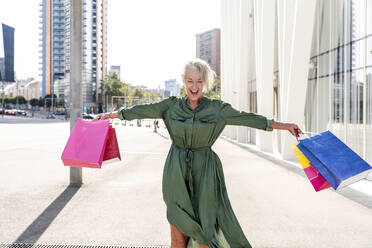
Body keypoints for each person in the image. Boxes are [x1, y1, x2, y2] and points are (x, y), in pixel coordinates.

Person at [94, 59, 302, 248]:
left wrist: (285, 126)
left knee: (205, 235)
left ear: (205, 83)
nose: (194, 86)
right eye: (190, 81)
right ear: (183, 81)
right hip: (176, 172)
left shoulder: (217, 108)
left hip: (206, 174)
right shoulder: (170, 106)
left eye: (199, 81)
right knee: (177, 233)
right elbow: (139, 110)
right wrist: (108, 115)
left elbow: (248, 118)